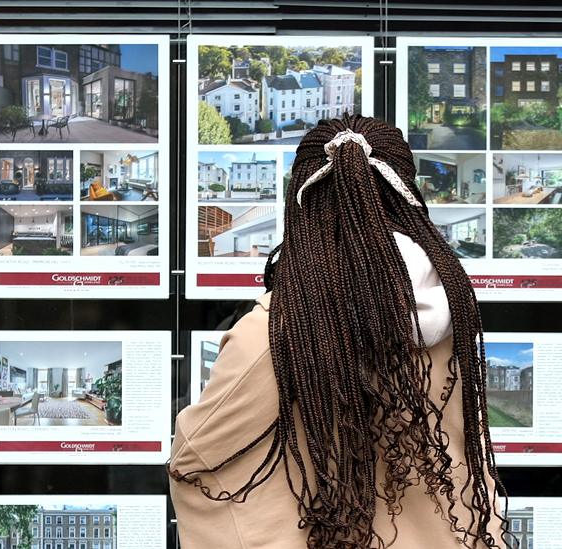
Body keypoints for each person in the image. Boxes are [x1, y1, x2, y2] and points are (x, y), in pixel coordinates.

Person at [168, 115, 508, 548]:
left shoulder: (273, 334)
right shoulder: (453, 307)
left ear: (301, 202)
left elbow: (196, 456)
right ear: (408, 192)